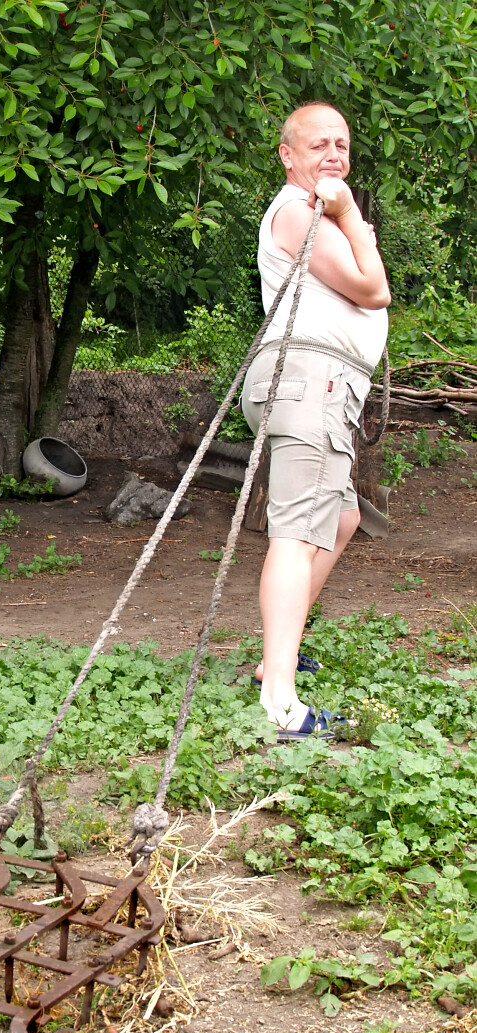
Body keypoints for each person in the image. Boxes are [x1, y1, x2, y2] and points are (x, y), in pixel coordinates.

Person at [240, 102, 391, 739]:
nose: (333, 155)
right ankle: (280, 700)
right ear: (289, 155)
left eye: (342, 144)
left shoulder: (312, 211)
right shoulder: (302, 211)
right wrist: (352, 213)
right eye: (318, 145)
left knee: (344, 515)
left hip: (322, 387)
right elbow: (371, 286)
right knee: (298, 534)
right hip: (308, 384)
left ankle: (279, 651)